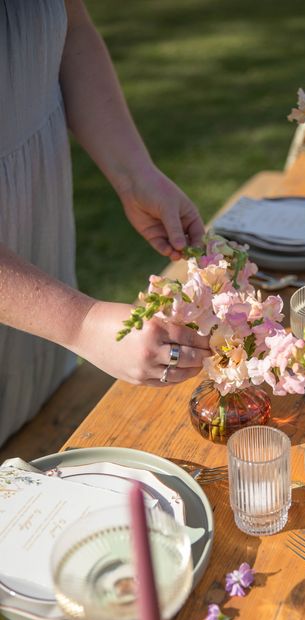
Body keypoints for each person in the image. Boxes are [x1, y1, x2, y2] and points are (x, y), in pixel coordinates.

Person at [0, 0, 210, 446]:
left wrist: (136, 175)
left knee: (41, 427)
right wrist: (81, 324)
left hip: (37, 239)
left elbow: (70, 28)